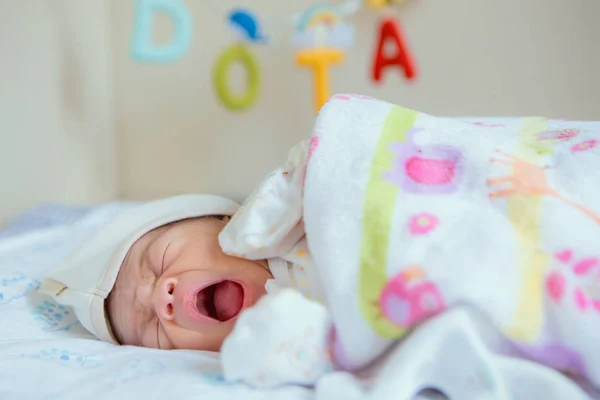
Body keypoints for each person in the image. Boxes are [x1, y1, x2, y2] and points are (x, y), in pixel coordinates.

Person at [39, 195, 274, 351]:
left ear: (228, 221)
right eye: (155, 330)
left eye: (161, 259)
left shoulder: (295, 206)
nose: (161, 298)